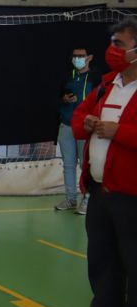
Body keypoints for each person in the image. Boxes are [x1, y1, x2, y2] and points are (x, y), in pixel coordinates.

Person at [63, 18, 137, 307]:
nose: (112, 50)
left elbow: (121, 133)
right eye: (112, 42)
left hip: (131, 195)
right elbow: (78, 120)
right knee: (103, 261)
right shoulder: (107, 85)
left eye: (120, 44)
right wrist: (90, 122)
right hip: (101, 191)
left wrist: (118, 131)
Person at [57, 46, 97, 214]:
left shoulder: (95, 78)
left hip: (85, 127)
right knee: (68, 165)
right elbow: (58, 96)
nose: (77, 59)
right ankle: (70, 199)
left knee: (86, 165)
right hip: (66, 125)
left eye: (81, 56)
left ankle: (87, 199)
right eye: (75, 56)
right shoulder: (67, 76)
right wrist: (64, 98)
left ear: (89, 58)